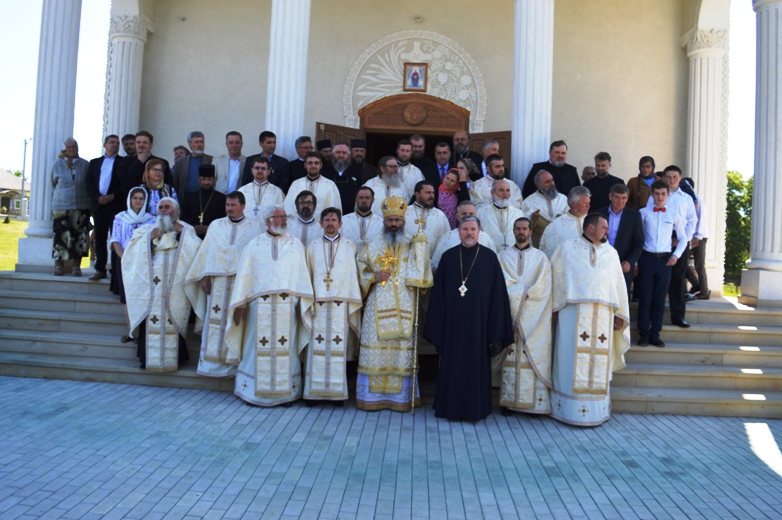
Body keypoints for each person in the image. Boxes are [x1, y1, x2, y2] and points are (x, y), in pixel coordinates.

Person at [424, 215, 514, 421]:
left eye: (473, 229)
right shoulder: (448, 258)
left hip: (480, 325)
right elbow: (438, 296)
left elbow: (498, 296)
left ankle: (477, 408)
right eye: (465, 229)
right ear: (458, 232)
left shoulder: (490, 258)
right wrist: (439, 324)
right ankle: (449, 406)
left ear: (479, 232)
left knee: (476, 365)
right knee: (452, 363)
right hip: (453, 325)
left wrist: (495, 326)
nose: (469, 233)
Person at [224, 204, 314, 406]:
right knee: (255, 346)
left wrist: (303, 304)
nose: (283, 220)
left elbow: (301, 277)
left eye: (284, 216)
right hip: (259, 307)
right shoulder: (254, 245)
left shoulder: (295, 245)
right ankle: (253, 392)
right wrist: (239, 305)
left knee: (287, 347)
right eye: (278, 216)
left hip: (287, 306)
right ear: (268, 221)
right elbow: (245, 277)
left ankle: (285, 394)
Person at [549, 213, 630, 426]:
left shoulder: (611, 253)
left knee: (598, 362)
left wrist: (620, 314)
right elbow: (556, 278)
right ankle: (568, 410)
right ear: (591, 227)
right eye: (604, 227)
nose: (608, 231)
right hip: (572, 314)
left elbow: (617, 285)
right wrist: (554, 309)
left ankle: (596, 411)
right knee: (569, 359)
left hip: (603, 315)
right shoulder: (567, 248)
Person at [356, 196, 433, 412]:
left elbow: (424, 276)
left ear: (404, 222)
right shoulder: (371, 246)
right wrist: (373, 276)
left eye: (397, 220)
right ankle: (372, 397)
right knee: (376, 348)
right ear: (383, 222)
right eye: (390, 220)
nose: (393, 224)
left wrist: (422, 249)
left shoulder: (413, 245)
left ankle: (400, 399)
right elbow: (359, 270)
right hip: (376, 305)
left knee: (401, 351)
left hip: (405, 305)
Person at [185, 191, 260, 378]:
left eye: (233, 205)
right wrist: (204, 276)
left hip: (239, 283)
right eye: (227, 205)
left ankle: (234, 366)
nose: (229, 209)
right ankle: (210, 366)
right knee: (214, 321)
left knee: (236, 322)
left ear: (243, 206)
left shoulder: (255, 227)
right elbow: (206, 251)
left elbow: (255, 258)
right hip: (217, 283)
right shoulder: (216, 225)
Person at [122, 197, 201, 371]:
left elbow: (197, 253)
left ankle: (176, 358)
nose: (164, 210)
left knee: (175, 319)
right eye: (161, 207)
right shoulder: (146, 230)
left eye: (168, 207)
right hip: (151, 288)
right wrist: (150, 238)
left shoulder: (186, 229)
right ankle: (147, 358)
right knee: (152, 319)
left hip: (176, 288)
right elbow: (130, 254)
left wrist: (183, 234)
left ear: (177, 211)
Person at [302, 207, 362, 404]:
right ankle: (312, 393)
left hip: (340, 306)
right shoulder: (312, 247)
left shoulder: (349, 246)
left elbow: (353, 276)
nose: (330, 223)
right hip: (318, 305)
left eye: (333, 220)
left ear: (340, 224)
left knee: (338, 348)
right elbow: (307, 275)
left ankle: (337, 394)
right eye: (326, 220)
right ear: (320, 224)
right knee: (316, 349)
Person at [497, 217, 553, 416]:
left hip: (534, 316)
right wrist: (519, 293)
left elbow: (544, 285)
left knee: (531, 357)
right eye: (518, 228)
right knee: (510, 356)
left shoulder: (540, 257)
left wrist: (524, 296)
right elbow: (500, 280)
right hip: (510, 313)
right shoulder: (503, 256)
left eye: (524, 228)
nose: (521, 231)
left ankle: (534, 405)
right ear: (513, 231)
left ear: (530, 232)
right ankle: (510, 403)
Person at [637, 180, 688, 347]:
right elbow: (637, 239)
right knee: (645, 298)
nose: (659, 197)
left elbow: (683, 238)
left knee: (659, 299)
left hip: (665, 260)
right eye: (656, 193)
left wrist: (676, 256)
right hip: (647, 257)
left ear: (668, 195)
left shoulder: (673, 215)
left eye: (663, 194)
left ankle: (655, 334)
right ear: (652, 194)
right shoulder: (643, 213)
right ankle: (643, 334)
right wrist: (637, 261)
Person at [647, 166, 698, 327]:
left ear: (680, 178)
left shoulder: (686, 199)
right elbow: (649, 217)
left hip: (679, 242)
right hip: (659, 243)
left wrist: (683, 240)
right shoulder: (656, 196)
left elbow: (692, 221)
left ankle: (678, 316)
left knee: (678, 280)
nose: (671, 180)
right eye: (668, 177)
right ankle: (652, 318)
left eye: (674, 177)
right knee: (656, 281)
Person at [110, 187, 155, 342]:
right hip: (124, 261)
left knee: (142, 296)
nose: (138, 201)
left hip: (143, 262)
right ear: (129, 200)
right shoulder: (120, 218)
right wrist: (125, 258)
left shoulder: (151, 219)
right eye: (135, 198)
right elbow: (115, 240)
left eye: (141, 198)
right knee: (128, 297)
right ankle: (131, 332)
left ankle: (141, 332)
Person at [50, 138, 91, 276]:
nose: (71, 149)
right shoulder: (57, 165)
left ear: (77, 148)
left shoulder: (85, 164)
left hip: (81, 206)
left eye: (74, 146)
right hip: (61, 207)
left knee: (79, 237)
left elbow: (89, 183)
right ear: (64, 149)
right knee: (60, 237)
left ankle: (76, 267)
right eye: (69, 147)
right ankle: (58, 266)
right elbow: (52, 184)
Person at [595, 184, 644, 297]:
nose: (620, 201)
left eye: (624, 198)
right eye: (617, 197)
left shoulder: (634, 216)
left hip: (623, 265)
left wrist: (630, 261)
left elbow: (639, 243)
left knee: (621, 301)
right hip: (601, 263)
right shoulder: (598, 214)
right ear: (610, 197)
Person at [85, 134, 123, 280]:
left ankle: (115, 269)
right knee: (99, 238)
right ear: (104, 145)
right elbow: (88, 182)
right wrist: (97, 197)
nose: (115, 145)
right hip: (98, 205)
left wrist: (112, 196)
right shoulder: (94, 163)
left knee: (116, 238)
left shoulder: (123, 162)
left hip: (115, 206)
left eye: (117, 143)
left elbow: (124, 185)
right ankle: (100, 268)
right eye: (112, 142)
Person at [432, 201, 496, 270]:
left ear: (476, 215)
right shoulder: (446, 238)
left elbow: (493, 266)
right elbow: (437, 267)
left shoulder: (485, 238)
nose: (468, 216)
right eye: (464, 213)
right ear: (457, 216)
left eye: (471, 213)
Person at [120, 131, 173, 208]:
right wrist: (139, 162)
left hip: (157, 204)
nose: (141, 145)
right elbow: (126, 182)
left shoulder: (162, 162)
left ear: (151, 145)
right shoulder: (125, 162)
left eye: (145, 142)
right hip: (134, 205)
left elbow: (168, 185)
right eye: (138, 142)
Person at [521, 170, 569, 248]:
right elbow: (523, 222)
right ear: (539, 185)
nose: (552, 184)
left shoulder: (563, 198)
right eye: (547, 182)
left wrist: (563, 218)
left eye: (552, 180)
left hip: (560, 240)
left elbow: (570, 216)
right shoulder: (528, 202)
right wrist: (532, 218)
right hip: (540, 240)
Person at [284, 152, 341, 218]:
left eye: (316, 163)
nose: (313, 165)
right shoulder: (296, 184)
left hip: (321, 226)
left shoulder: (330, 185)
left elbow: (336, 211)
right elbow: (288, 209)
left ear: (321, 165)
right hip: (298, 226)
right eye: (310, 163)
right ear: (305, 165)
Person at [540, 186, 591, 257]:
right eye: (585, 203)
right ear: (573, 203)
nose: (588, 206)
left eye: (589, 202)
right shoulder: (555, 226)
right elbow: (550, 254)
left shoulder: (593, 222)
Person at [476, 180, 526, 251]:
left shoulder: (519, 214)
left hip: (513, 257)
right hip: (490, 255)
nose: (505, 193)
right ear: (492, 193)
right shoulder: (481, 213)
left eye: (508, 190)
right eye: (501, 190)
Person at [404, 181, 450, 257]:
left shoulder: (440, 215)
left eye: (433, 193)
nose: (432, 196)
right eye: (428, 193)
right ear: (417, 194)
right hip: (408, 262)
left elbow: (446, 240)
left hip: (432, 264)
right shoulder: (405, 213)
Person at [682, 177, 710, 300]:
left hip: (700, 236)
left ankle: (704, 291)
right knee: (682, 262)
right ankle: (695, 285)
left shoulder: (697, 199)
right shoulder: (686, 199)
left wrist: (697, 236)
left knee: (699, 264)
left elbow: (700, 218)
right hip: (688, 236)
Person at [237, 156, 285, 228]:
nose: (260, 171)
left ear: (268, 171)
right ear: (252, 170)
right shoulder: (242, 191)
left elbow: (282, 215)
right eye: (257, 168)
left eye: (263, 168)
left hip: (267, 231)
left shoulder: (277, 192)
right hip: (245, 230)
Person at [180, 164, 226, 238]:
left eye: (209, 179)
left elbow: (223, 219)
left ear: (214, 179)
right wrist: (194, 227)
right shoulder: (189, 198)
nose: (206, 182)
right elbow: (183, 216)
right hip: (192, 236)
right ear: (199, 179)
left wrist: (209, 228)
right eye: (204, 179)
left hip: (213, 236)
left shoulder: (222, 198)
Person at [322, 142, 362, 215]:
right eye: (338, 152)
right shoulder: (323, 171)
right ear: (332, 154)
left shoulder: (357, 172)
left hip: (350, 214)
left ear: (349, 155)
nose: (341, 155)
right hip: (328, 214)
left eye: (344, 153)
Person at [173, 131, 213, 197]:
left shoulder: (211, 160)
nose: (199, 145)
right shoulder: (180, 162)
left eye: (202, 142)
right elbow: (176, 183)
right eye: (196, 142)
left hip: (205, 196)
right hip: (186, 197)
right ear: (190, 144)